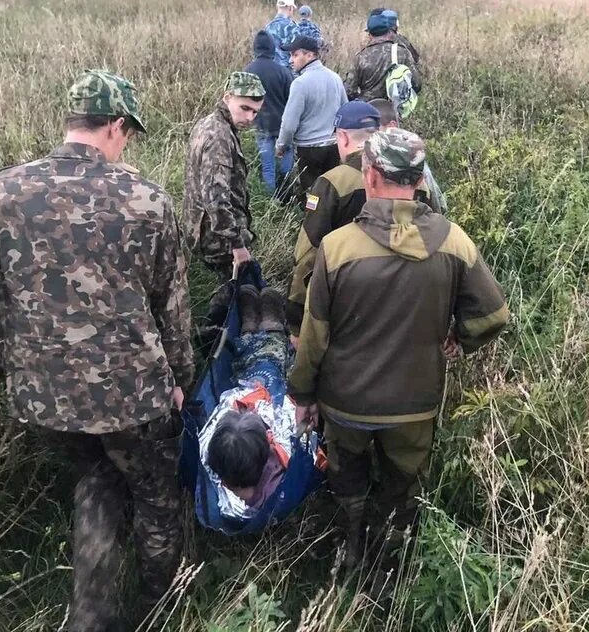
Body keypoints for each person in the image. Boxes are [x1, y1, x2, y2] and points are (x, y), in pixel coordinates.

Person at [0, 69, 194, 631]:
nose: (127, 145)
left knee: (94, 477)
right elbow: (173, 307)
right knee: (158, 497)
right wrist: (180, 375)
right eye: (128, 133)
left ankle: (90, 615)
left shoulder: (4, 191)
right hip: (132, 395)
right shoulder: (148, 200)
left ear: (72, 123)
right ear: (115, 126)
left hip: (44, 399)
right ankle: (160, 608)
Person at [288, 128, 509, 590]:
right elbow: (493, 316)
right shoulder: (455, 242)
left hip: (345, 402)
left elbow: (313, 339)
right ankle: (391, 565)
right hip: (415, 404)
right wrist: (459, 341)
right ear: (418, 179)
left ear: (370, 175)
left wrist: (303, 393)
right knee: (403, 486)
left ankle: (349, 546)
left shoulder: (337, 248)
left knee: (347, 476)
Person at [199, 286, 321, 519]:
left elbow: (222, 411)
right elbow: (303, 440)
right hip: (269, 380)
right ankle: (269, 322)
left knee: (249, 362)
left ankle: (249, 324)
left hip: (248, 382)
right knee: (270, 360)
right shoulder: (281, 478)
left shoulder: (220, 481)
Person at [286, 100, 380, 337]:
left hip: (344, 303)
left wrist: (296, 320)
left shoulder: (331, 183)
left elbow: (308, 253)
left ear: (344, 137)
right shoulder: (410, 179)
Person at [183, 71, 265, 281]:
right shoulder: (219, 137)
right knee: (236, 300)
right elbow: (216, 199)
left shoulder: (209, 123)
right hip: (218, 239)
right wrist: (237, 245)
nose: (249, 118)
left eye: (255, 112)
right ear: (227, 97)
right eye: (245, 108)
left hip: (205, 229)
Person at [276, 35, 348, 206]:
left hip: (309, 150)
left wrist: (281, 145)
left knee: (312, 195)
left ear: (310, 55)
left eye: (294, 55)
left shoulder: (300, 83)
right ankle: (333, 224)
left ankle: (313, 226)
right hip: (333, 147)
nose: (290, 60)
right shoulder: (335, 78)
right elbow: (345, 111)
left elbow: (289, 124)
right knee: (332, 190)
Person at [369, 98, 448, 215]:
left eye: (374, 130)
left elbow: (438, 206)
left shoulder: (414, 160)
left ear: (392, 126)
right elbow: (440, 207)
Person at [244, 30, 295, 198]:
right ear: (272, 48)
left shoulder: (248, 71)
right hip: (282, 124)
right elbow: (292, 99)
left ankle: (271, 202)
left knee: (267, 166)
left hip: (260, 124)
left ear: (255, 48)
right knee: (287, 157)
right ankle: (288, 192)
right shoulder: (283, 71)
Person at [345, 13, 422, 103]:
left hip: (368, 111)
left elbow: (349, 91)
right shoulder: (402, 52)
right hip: (394, 110)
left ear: (369, 34)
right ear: (389, 32)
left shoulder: (360, 57)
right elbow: (417, 84)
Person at [266, 0, 299, 70]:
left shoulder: (268, 27)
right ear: (290, 8)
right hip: (287, 71)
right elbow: (297, 51)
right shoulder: (292, 27)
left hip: (271, 69)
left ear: (277, 7)